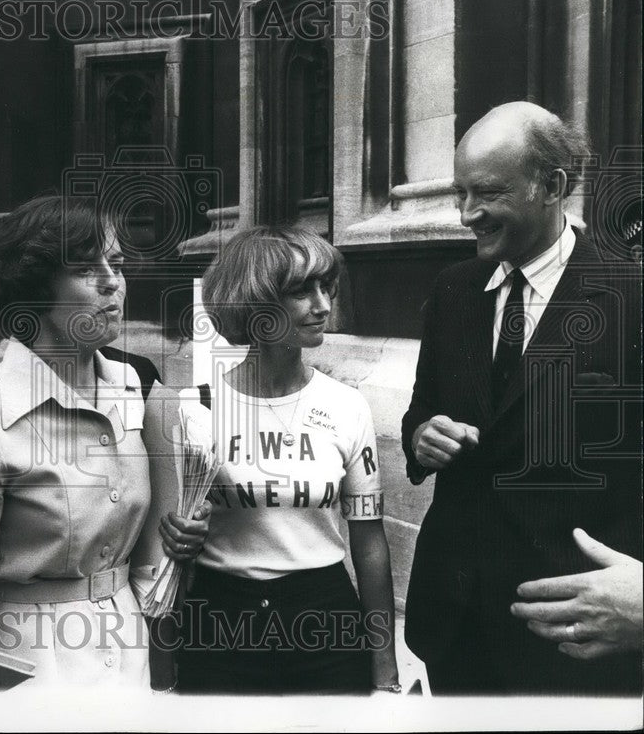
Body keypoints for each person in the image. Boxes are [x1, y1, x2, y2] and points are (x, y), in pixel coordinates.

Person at [402, 101, 643, 694]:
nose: (465, 214)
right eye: (459, 192)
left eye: (485, 192)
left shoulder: (630, 298)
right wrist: (420, 437)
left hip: (569, 635)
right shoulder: (453, 289)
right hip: (454, 628)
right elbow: (420, 407)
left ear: (553, 186)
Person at [0, 194, 209, 687]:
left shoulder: (136, 388)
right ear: (34, 288)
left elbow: (156, 537)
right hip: (30, 659)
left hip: (128, 642)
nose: (112, 281)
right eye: (86, 268)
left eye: (118, 264)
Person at [175, 221, 400, 695]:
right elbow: (167, 541)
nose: (322, 305)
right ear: (254, 303)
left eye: (326, 287)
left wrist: (386, 674)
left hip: (325, 618)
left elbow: (369, 541)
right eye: (301, 291)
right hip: (222, 620)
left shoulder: (346, 405)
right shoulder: (195, 408)